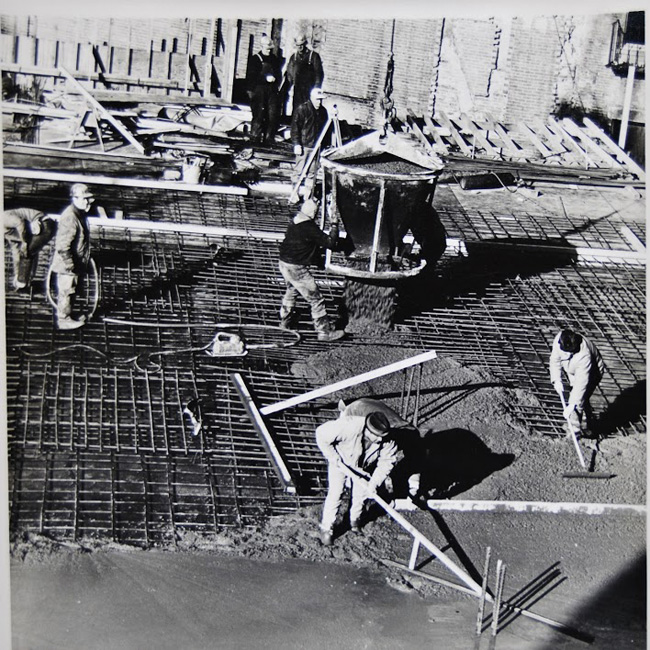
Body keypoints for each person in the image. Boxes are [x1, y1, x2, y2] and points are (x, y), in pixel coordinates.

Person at [316, 409, 399, 546]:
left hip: (363, 467)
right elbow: (321, 434)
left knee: (361, 494)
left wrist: (374, 483)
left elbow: (387, 462)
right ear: (367, 430)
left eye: (382, 436)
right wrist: (333, 457)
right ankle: (327, 528)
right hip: (341, 461)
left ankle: (355, 521)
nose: (380, 439)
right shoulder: (348, 426)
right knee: (336, 493)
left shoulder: (386, 440)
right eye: (377, 436)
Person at [278, 197, 344, 342]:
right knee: (316, 299)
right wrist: (334, 225)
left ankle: (284, 324)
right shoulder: (308, 227)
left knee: (291, 291)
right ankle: (324, 332)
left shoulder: (295, 221)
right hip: (296, 268)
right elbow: (330, 243)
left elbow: (305, 245)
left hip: (284, 263)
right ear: (314, 213)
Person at [49, 183, 95, 330]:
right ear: (74, 198)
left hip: (76, 262)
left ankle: (70, 315)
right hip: (67, 264)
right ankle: (64, 320)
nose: (87, 202)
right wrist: (70, 265)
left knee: (72, 290)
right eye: (84, 199)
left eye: (88, 199)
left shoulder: (79, 214)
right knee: (66, 292)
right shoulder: (70, 218)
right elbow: (62, 246)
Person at [549, 328, 605, 435]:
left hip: (592, 372)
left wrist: (572, 404)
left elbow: (581, 384)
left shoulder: (584, 355)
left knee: (579, 399)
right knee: (579, 398)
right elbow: (555, 360)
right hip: (573, 369)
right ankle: (588, 421)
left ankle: (574, 430)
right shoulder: (559, 339)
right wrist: (556, 379)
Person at [290, 87, 329, 201]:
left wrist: (324, 147)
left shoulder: (323, 112)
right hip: (305, 146)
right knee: (299, 171)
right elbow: (295, 128)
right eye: (317, 99)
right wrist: (296, 144)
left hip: (316, 147)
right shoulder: (303, 109)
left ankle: (308, 195)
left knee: (312, 173)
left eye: (321, 100)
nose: (319, 102)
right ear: (311, 98)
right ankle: (294, 194)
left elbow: (325, 131)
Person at [3, 208, 57, 292]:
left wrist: (24, 242)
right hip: (38, 229)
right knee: (30, 252)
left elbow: (19, 222)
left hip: (44, 223)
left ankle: (22, 283)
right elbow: (16, 254)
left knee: (27, 252)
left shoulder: (3, 219)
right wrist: (17, 273)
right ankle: (26, 280)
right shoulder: (8, 235)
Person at [245, 33, 282, 145]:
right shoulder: (255, 59)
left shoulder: (274, 59)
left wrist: (276, 83)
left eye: (270, 49)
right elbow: (251, 77)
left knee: (272, 115)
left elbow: (278, 74)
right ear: (261, 47)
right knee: (258, 116)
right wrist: (265, 78)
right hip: (259, 91)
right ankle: (255, 140)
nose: (269, 51)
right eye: (267, 49)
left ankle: (268, 140)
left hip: (272, 91)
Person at [282, 33, 324, 116]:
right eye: (297, 45)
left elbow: (319, 74)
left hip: (310, 90)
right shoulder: (294, 58)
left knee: (309, 112)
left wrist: (316, 90)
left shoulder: (313, 56)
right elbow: (289, 75)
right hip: (298, 90)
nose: (299, 47)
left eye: (301, 45)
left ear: (305, 44)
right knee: (297, 111)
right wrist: (285, 91)